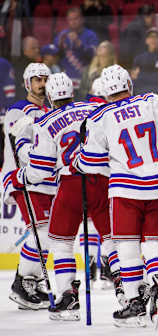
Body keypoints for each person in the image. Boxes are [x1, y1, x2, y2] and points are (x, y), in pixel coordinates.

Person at [72, 64, 158, 327]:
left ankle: (134, 302)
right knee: (156, 244)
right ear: (129, 86)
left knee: (127, 246)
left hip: (125, 190)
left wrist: (77, 160)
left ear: (106, 92)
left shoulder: (100, 118)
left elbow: (91, 162)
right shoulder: (151, 101)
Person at [10, 72, 124, 321]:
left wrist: (22, 145)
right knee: (111, 238)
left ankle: (67, 299)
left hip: (70, 183)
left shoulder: (46, 122)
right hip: (102, 179)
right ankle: (125, 289)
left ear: (50, 95)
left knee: (61, 242)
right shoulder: (94, 107)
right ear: (72, 92)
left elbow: (40, 169)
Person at [2, 63, 54, 310]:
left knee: (46, 234)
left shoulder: (49, 110)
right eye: (37, 80)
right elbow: (20, 150)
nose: (42, 84)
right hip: (24, 180)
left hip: (43, 182)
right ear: (26, 83)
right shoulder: (18, 110)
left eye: (45, 79)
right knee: (41, 233)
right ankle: (22, 284)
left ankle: (29, 282)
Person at [54, 7, 99, 92]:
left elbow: (94, 55)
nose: (73, 22)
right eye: (70, 19)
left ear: (82, 19)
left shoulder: (90, 35)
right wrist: (60, 45)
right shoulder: (62, 35)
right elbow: (53, 55)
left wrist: (79, 44)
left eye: (76, 19)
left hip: (84, 79)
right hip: (65, 80)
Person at [132, 29, 158, 96]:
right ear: (146, 40)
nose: (154, 40)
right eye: (151, 37)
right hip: (141, 94)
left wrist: (143, 73)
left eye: (156, 37)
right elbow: (134, 78)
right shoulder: (139, 58)